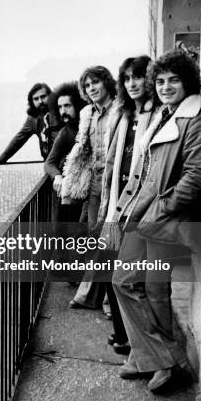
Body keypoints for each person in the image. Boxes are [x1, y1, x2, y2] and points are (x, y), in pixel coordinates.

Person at [112, 50, 201, 393]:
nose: (165, 86)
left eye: (173, 80)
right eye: (160, 81)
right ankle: (158, 357)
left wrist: (163, 206)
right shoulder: (163, 116)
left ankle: (161, 364)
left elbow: (197, 174)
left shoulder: (194, 119)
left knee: (156, 290)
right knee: (123, 280)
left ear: (187, 82)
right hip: (143, 215)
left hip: (166, 220)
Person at [96, 55, 158, 355]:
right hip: (115, 204)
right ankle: (122, 334)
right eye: (128, 78)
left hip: (137, 207)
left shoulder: (157, 114)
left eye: (138, 77)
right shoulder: (123, 113)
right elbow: (110, 160)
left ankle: (134, 342)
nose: (133, 84)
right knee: (107, 268)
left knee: (129, 279)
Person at [61, 66, 117, 310]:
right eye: (87, 85)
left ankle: (107, 300)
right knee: (95, 238)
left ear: (106, 83)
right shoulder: (87, 114)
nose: (92, 88)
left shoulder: (120, 109)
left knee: (112, 239)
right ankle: (90, 296)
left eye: (96, 82)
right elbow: (83, 149)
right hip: (95, 181)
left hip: (115, 182)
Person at [44, 82, 86, 280]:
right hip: (71, 192)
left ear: (77, 104)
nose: (63, 111)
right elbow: (49, 163)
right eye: (60, 107)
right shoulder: (65, 133)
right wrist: (57, 176)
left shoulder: (90, 126)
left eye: (67, 106)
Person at [0, 83, 59, 167]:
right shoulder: (33, 119)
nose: (40, 101)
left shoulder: (60, 110)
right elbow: (19, 139)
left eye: (43, 97)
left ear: (50, 96)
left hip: (67, 161)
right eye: (36, 99)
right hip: (50, 165)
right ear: (32, 101)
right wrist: (0, 159)